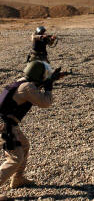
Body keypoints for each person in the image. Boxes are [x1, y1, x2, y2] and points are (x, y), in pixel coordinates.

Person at [0, 61, 60, 200]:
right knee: (15, 157)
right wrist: (49, 87)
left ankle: (18, 179)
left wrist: (50, 80)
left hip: (8, 123)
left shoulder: (21, 81)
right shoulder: (28, 87)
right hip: (5, 126)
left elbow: (30, 89)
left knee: (24, 145)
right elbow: (45, 102)